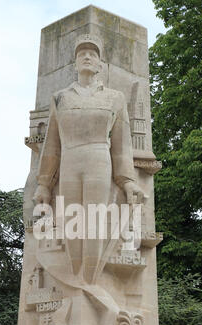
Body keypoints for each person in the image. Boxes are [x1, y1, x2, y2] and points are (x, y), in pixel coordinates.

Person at [33, 34, 144, 284]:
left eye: (92, 54)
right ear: (75, 64)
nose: (86, 57)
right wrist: (44, 183)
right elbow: (52, 145)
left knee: (95, 221)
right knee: (71, 224)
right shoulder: (60, 98)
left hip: (98, 159)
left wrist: (127, 181)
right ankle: (76, 281)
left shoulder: (114, 98)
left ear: (99, 65)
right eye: (81, 53)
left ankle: (90, 281)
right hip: (70, 159)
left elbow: (121, 145)